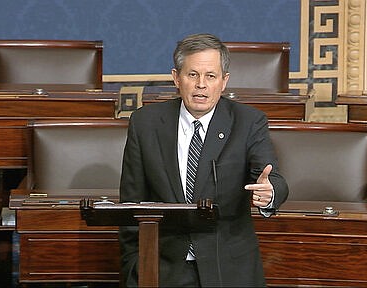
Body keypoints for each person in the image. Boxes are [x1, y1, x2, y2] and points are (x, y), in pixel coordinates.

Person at [119, 33, 289, 287]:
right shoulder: (146, 123)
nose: (201, 84)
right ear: (177, 78)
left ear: (224, 81)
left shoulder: (248, 122)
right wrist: (134, 264)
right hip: (163, 267)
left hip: (227, 267)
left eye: (211, 76)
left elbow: (271, 177)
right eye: (192, 75)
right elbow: (131, 202)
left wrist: (270, 193)